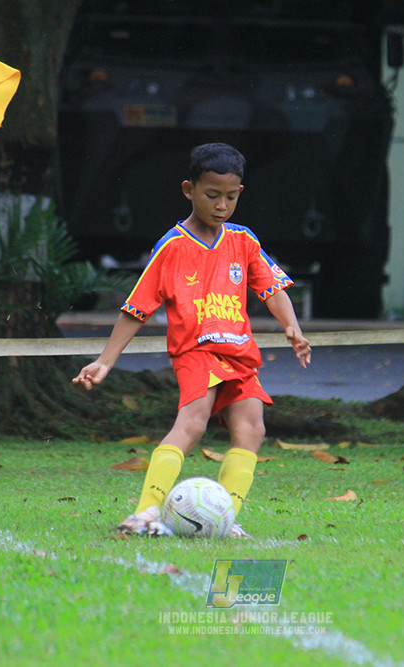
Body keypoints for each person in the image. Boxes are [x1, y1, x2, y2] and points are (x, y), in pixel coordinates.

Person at [73, 142, 311, 537]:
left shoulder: (243, 240)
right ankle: (146, 512)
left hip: (238, 352)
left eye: (231, 197)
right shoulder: (172, 246)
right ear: (189, 190)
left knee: (252, 429)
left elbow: (272, 287)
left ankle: (225, 519)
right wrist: (106, 360)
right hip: (196, 351)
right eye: (212, 195)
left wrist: (292, 326)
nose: (222, 205)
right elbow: (136, 308)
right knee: (193, 424)